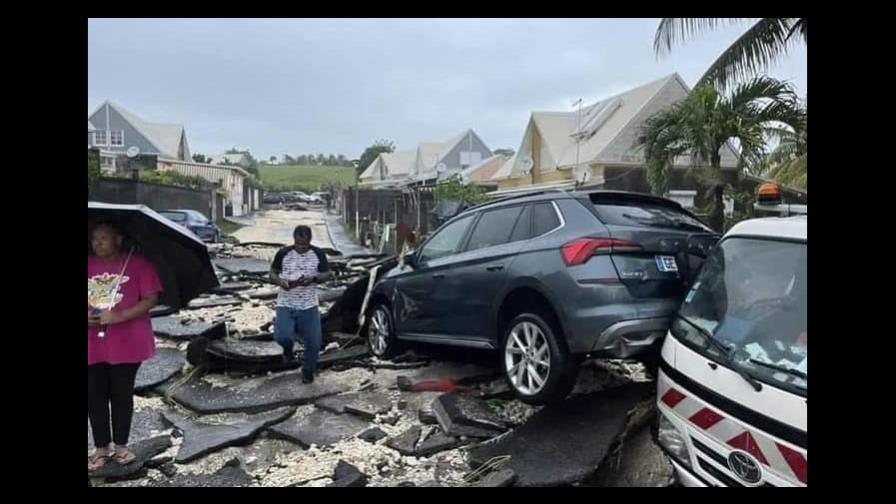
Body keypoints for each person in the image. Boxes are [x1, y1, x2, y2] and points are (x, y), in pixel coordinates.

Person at [87, 221, 163, 471]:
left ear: (118, 240)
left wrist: (120, 316)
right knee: (94, 395)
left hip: (127, 341)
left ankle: (121, 445)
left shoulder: (138, 265)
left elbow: (151, 298)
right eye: (94, 238)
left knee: (121, 393)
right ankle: (100, 447)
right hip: (91, 343)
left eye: (104, 238)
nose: (97, 243)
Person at [270, 225, 332, 383]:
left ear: (310, 241)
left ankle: (308, 370)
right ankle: (288, 350)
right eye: (298, 244)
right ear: (294, 240)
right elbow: (272, 273)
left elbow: (327, 274)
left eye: (305, 245)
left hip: (309, 306)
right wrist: (280, 281)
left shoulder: (318, 254)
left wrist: (313, 279)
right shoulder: (284, 253)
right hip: (286, 303)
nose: (301, 248)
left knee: (315, 343)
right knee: (283, 336)